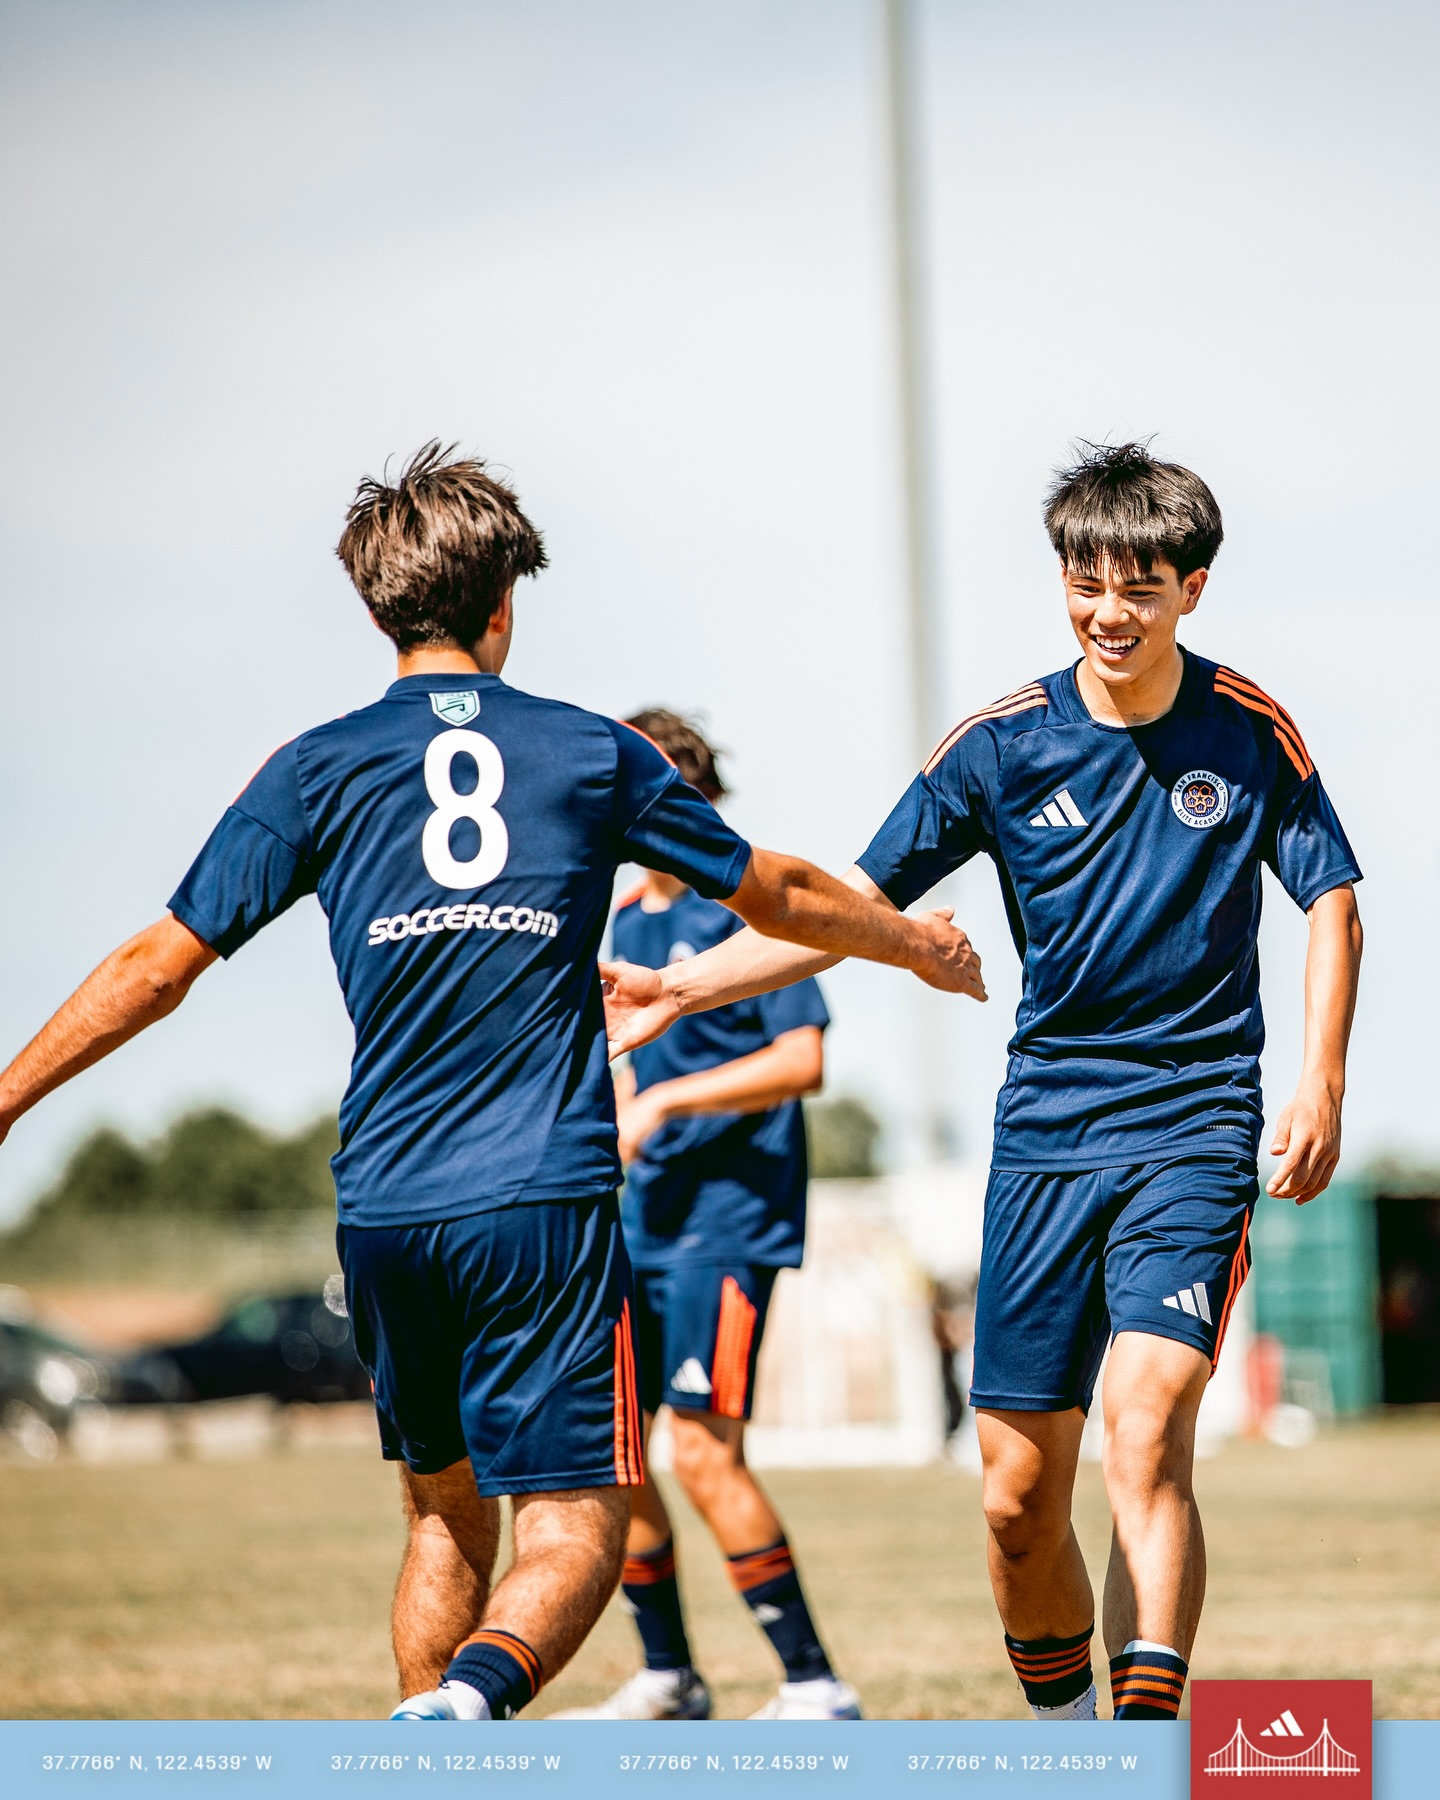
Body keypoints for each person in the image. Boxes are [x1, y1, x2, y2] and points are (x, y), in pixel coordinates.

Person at [0, 444, 984, 1723]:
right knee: (574, 1531)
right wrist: (915, 943)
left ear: (374, 610)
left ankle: (435, 1746)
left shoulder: (316, 767)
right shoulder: (587, 753)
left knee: (440, 1528)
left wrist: (11, 1095)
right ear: (505, 605)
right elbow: (780, 891)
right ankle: (463, 1707)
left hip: (385, 1210)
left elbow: (155, 965)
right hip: (544, 1200)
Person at [602, 442, 1363, 1723]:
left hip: (1194, 1122)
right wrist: (684, 985)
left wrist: (1322, 1085)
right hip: (1045, 1137)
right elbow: (846, 904)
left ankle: (1146, 1745)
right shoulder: (1001, 747)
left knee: (1146, 1428)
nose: (1109, 611)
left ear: (1194, 588)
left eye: (1141, 585)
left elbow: (1333, 898)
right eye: (1086, 581)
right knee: (1017, 1501)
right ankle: (1066, 1738)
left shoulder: (1248, 729)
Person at [556, 711, 858, 1722]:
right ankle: (668, 1674)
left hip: (728, 1223)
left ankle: (816, 1684)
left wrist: (665, 1102)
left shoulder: (748, 913)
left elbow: (803, 1061)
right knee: (611, 1449)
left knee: (702, 1449)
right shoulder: (626, 922)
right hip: (644, 1221)